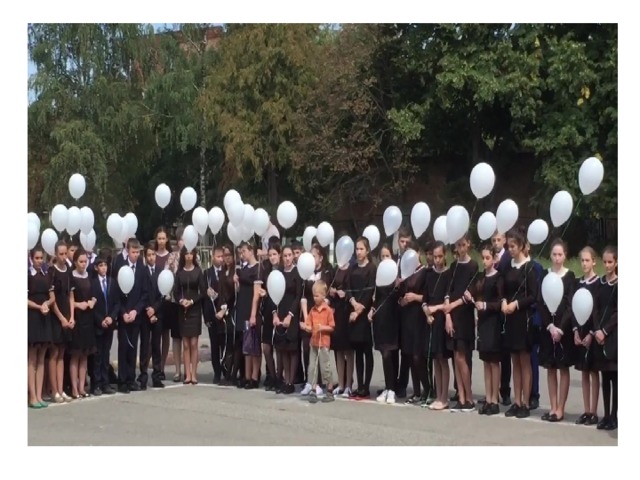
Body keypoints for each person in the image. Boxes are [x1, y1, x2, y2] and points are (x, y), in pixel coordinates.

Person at [501, 227, 538, 419]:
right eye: (508, 246)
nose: (510, 250)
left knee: (524, 361)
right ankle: (516, 401)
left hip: (523, 318)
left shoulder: (529, 267)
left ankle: (525, 402)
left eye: (513, 246)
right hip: (510, 319)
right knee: (514, 360)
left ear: (522, 246)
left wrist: (516, 304)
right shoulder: (508, 266)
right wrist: (504, 301)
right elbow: (503, 288)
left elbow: (533, 295)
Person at [539, 239, 576, 423]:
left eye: (560, 254)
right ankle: (553, 407)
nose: (557, 258)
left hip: (564, 330)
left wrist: (560, 328)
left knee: (563, 367)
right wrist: (550, 326)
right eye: (554, 254)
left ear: (565, 256)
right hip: (549, 329)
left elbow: (570, 305)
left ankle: (561, 408)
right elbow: (541, 302)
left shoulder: (570, 277)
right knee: (551, 368)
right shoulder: (545, 275)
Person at [465, 243, 503, 415]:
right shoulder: (480, 277)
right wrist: (469, 294)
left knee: (494, 362)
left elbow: (500, 302)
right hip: (482, 322)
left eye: (488, 258)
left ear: (494, 259)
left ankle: (495, 399)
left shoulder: (498, 278)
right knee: (486, 361)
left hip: (493, 323)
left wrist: (486, 305)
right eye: (483, 258)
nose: (485, 261)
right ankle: (488, 398)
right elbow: (473, 291)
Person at [113, 238, 149, 393]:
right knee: (123, 348)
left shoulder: (141, 268)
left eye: (138, 252)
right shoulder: (121, 267)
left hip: (136, 315)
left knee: (133, 346)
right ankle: (122, 380)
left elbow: (145, 293)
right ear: (128, 251)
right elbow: (116, 293)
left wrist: (136, 311)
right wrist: (123, 312)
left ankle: (131, 378)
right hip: (123, 314)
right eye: (133, 252)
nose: (136, 255)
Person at [572, 246, 601, 425]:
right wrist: (575, 330)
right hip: (580, 332)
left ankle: (594, 411)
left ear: (594, 262)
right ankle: (586, 409)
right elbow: (574, 308)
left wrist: (591, 333)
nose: (584, 263)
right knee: (583, 372)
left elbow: (597, 311)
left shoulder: (598, 284)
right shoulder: (578, 283)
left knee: (593, 372)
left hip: (593, 332)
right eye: (582, 260)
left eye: (587, 260)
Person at [422, 241, 452, 411]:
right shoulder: (429, 274)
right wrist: (427, 312)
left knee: (443, 359)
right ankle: (438, 394)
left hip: (441, 318)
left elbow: (447, 299)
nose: (438, 260)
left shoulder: (448, 274)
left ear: (445, 255)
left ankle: (444, 397)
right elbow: (424, 299)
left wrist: (436, 308)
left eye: (440, 256)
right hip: (431, 320)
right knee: (435, 359)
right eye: (435, 257)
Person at [369, 244, 400, 404]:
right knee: (384, 354)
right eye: (383, 256)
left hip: (393, 318)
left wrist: (398, 285)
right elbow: (376, 298)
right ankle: (388, 387)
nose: (385, 259)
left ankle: (393, 388)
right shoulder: (379, 274)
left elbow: (399, 297)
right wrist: (372, 309)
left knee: (390, 354)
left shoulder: (396, 276)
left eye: (388, 256)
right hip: (380, 319)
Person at [347, 237, 376, 399]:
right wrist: (353, 302)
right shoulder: (352, 268)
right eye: (357, 249)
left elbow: (370, 291)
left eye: (361, 249)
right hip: (353, 312)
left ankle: (366, 386)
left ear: (367, 250)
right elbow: (349, 288)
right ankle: (359, 386)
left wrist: (359, 310)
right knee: (357, 351)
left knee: (367, 350)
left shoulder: (371, 268)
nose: (358, 252)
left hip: (364, 315)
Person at [173, 246, 207, 385]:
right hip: (183, 310)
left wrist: (192, 301)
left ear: (194, 255)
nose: (188, 256)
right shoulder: (179, 272)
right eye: (186, 254)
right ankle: (187, 374)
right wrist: (181, 301)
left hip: (195, 309)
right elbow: (175, 292)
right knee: (186, 344)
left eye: (190, 254)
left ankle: (194, 373)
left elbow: (203, 292)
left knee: (194, 343)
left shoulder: (198, 272)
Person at [272, 245, 303, 394]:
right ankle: (285, 380)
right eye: (285, 256)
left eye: (289, 255)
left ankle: (291, 381)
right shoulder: (278, 273)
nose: (287, 258)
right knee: (283, 349)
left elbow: (298, 295)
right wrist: (275, 314)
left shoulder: (297, 273)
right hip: (281, 311)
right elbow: (273, 294)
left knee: (292, 349)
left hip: (292, 314)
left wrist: (290, 315)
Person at [593, 245, 617, 431]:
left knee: (615, 378)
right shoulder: (600, 283)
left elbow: (618, 312)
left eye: (610, 262)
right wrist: (597, 330)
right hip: (599, 334)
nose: (607, 265)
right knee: (605, 378)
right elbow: (594, 308)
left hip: (613, 335)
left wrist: (606, 331)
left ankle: (615, 416)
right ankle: (606, 414)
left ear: (616, 263)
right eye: (605, 262)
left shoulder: (619, 284)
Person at [27, 246, 54, 408]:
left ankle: (39, 394)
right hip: (33, 317)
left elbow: (52, 297)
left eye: (41, 258)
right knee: (32, 358)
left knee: (42, 357)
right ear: (31, 259)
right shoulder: (27, 275)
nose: (39, 261)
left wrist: (46, 304)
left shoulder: (46, 274)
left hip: (45, 317)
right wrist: (38, 306)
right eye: (36, 258)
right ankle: (32, 396)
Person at [68, 249, 97, 399]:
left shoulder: (89, 275)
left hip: (88, 318)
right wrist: (79, 305)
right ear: (75, 262)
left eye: (85, 261)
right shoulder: (71, 277)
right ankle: (74, 388)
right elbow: (69, 299)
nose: (83, 264)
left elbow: (94, 295)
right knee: (76, 354)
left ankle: (81, 387)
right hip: (78, 318)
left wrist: (92, 302)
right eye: (81, 261)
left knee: (85, 355)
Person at [301, 280, 336, 403]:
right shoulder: (312, 310)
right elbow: (310, 326)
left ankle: (330, 390)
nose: (314, 298)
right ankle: (313, 390)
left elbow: (332, 326)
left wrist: (323, 327)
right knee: (312, 367)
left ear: (323, 295)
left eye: (317, 296)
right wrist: (305, 327)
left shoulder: (328, 310)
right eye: (313, 296)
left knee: (325, 367)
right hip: (314, 343)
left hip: (324, 343)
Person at [138, 241, 165, 389]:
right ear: (145, 256)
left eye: (153, 254)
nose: (151, 257)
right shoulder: (142, 272)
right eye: (148, 255)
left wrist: (154, 309)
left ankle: (157, 375)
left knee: (156, 345)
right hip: (144, 314)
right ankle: (143, 376)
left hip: (157, 313)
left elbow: (162, 294)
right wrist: (148, 310)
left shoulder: (161, 271)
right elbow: (142, 293)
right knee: (144, 345)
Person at [90, 256, 116, 395]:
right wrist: (101, 320)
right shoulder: (93, 283)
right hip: (98, 324)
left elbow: (116, 303)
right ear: (96, 268)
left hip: (109, 324)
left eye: (105, 265)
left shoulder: (112, 282)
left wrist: (111, 317)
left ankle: (105, 383)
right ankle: (96, 384)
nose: (103, 268)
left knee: (106, 354)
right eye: (101, 265)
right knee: (97, 356)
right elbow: (93, 306)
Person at [203, 246, 229, 385]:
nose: (220, 259)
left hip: (224, 313)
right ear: (212, 257)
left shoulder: (226, 272)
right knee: (214, 345)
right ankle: (217, 372)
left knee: (224, 344)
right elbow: (204, 297)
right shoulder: (207, 273)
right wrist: (206, 317)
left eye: (222, 257)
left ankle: (226, 369)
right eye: (218, 256)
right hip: (212, 314)